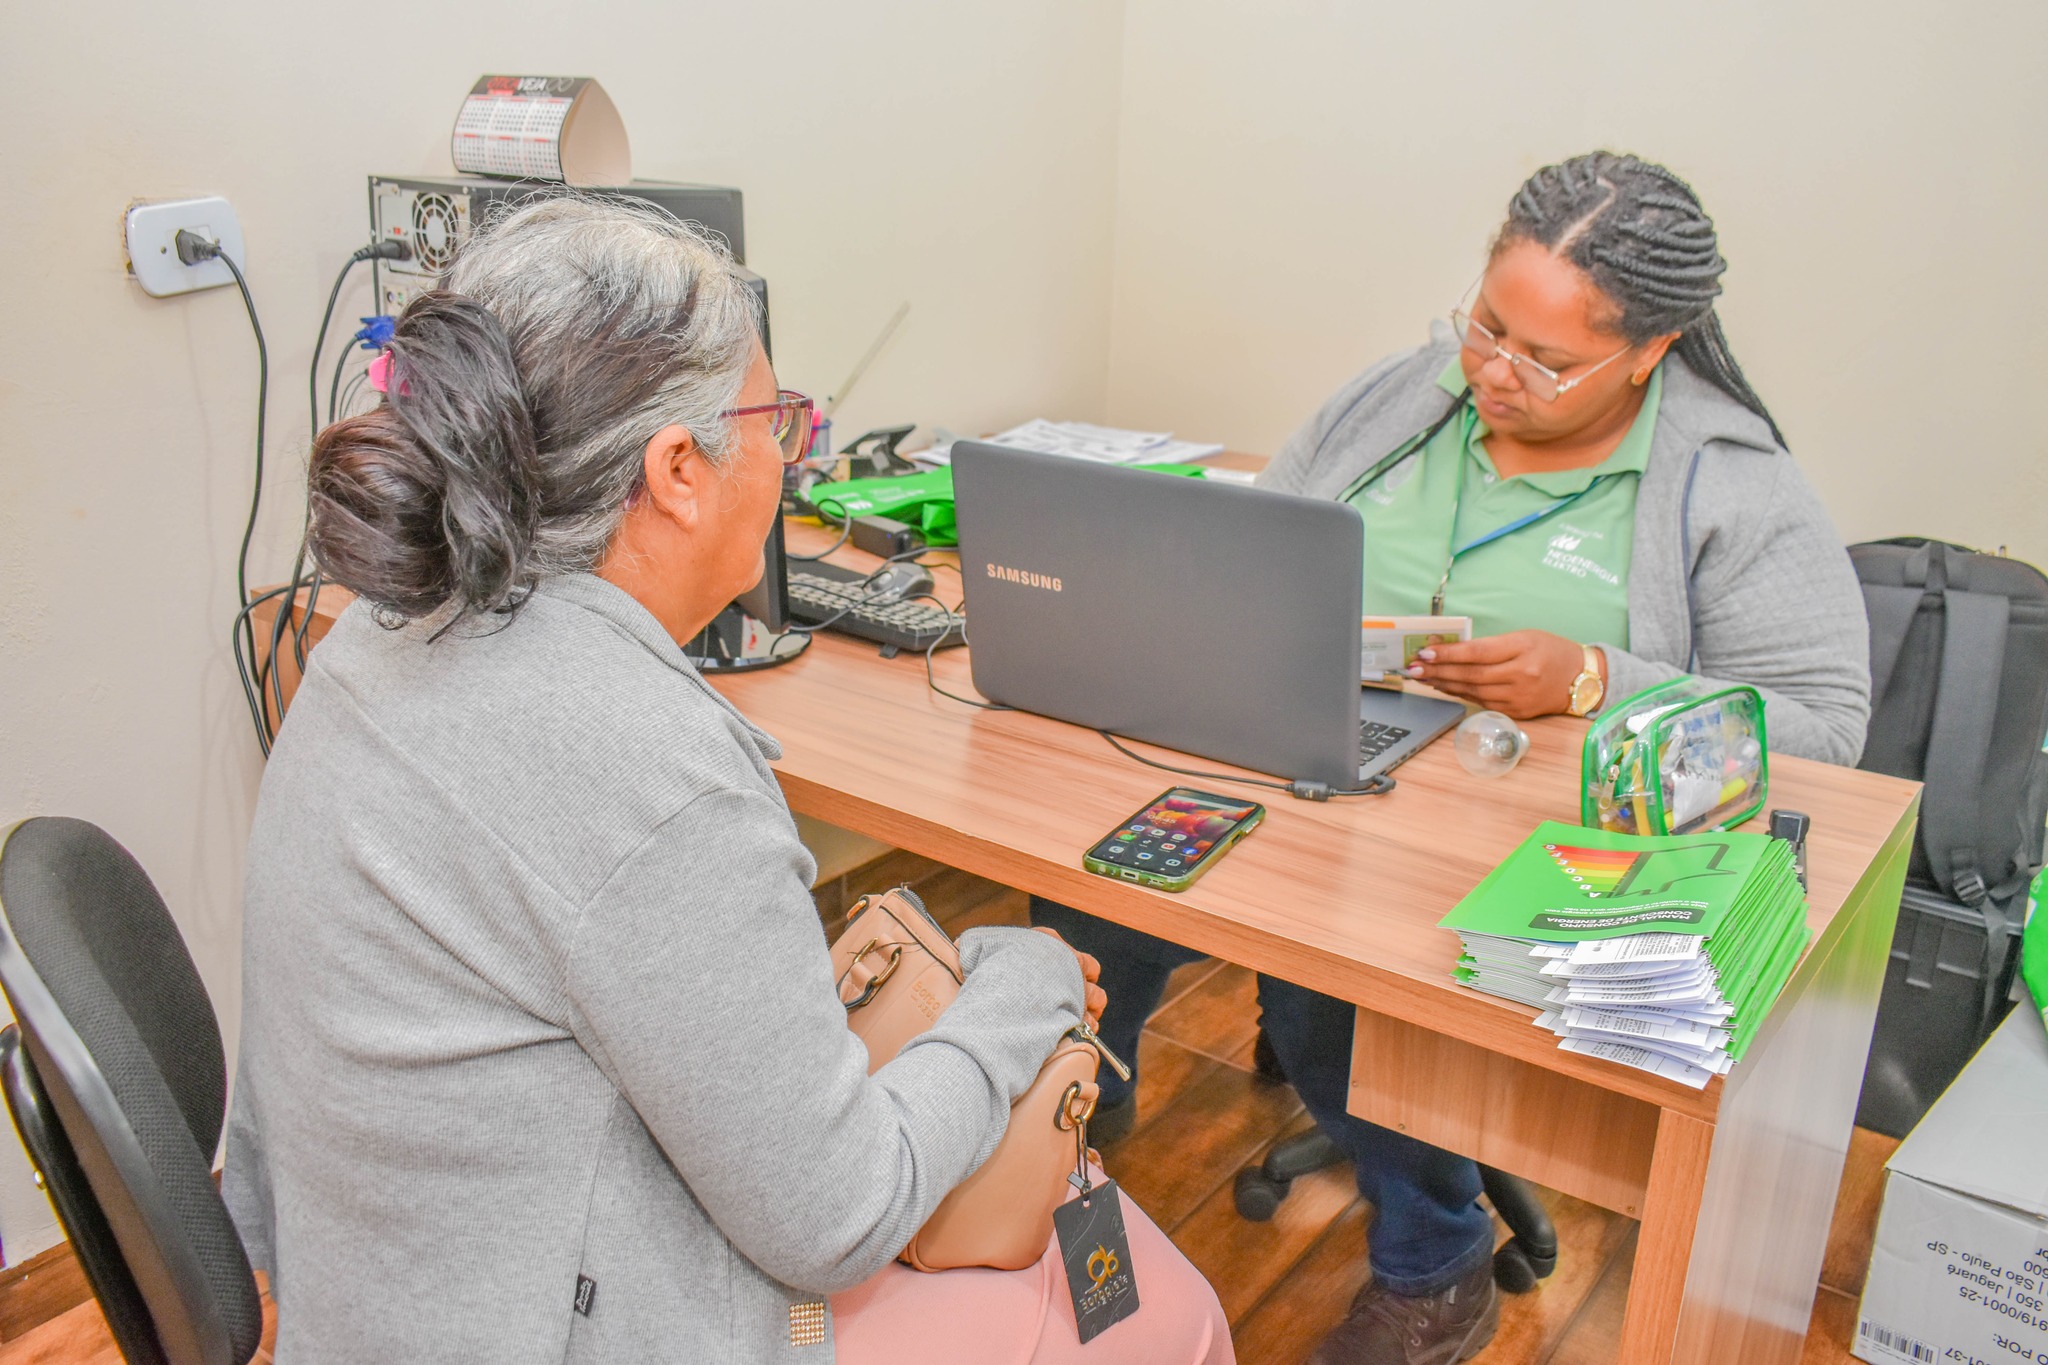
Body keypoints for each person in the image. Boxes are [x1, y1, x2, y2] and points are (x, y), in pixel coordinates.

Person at [223, 197, 1232, 1365]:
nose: (788, 454)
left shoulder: (377, 628)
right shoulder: (653, 778)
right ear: (677, 471)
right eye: (776, 420)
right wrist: (1029, 979)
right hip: (561, 1326)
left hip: (387, 1290)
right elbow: (838, 1219)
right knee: (1165, 1311)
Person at [1032, 151, 1871, 1365]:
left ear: (1650, 350)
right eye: (1484, 327)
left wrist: (1594, 679)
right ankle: (1073, 1134)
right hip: (1313, 753)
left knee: (1339, 967)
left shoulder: (1728, 483)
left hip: (1506, 831)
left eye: (1544, 359)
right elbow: (1258, 536)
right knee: (1089, 873)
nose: (1489, 371)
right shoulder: (1402, 397)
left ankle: (1436, 1266)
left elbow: (1825, 729)